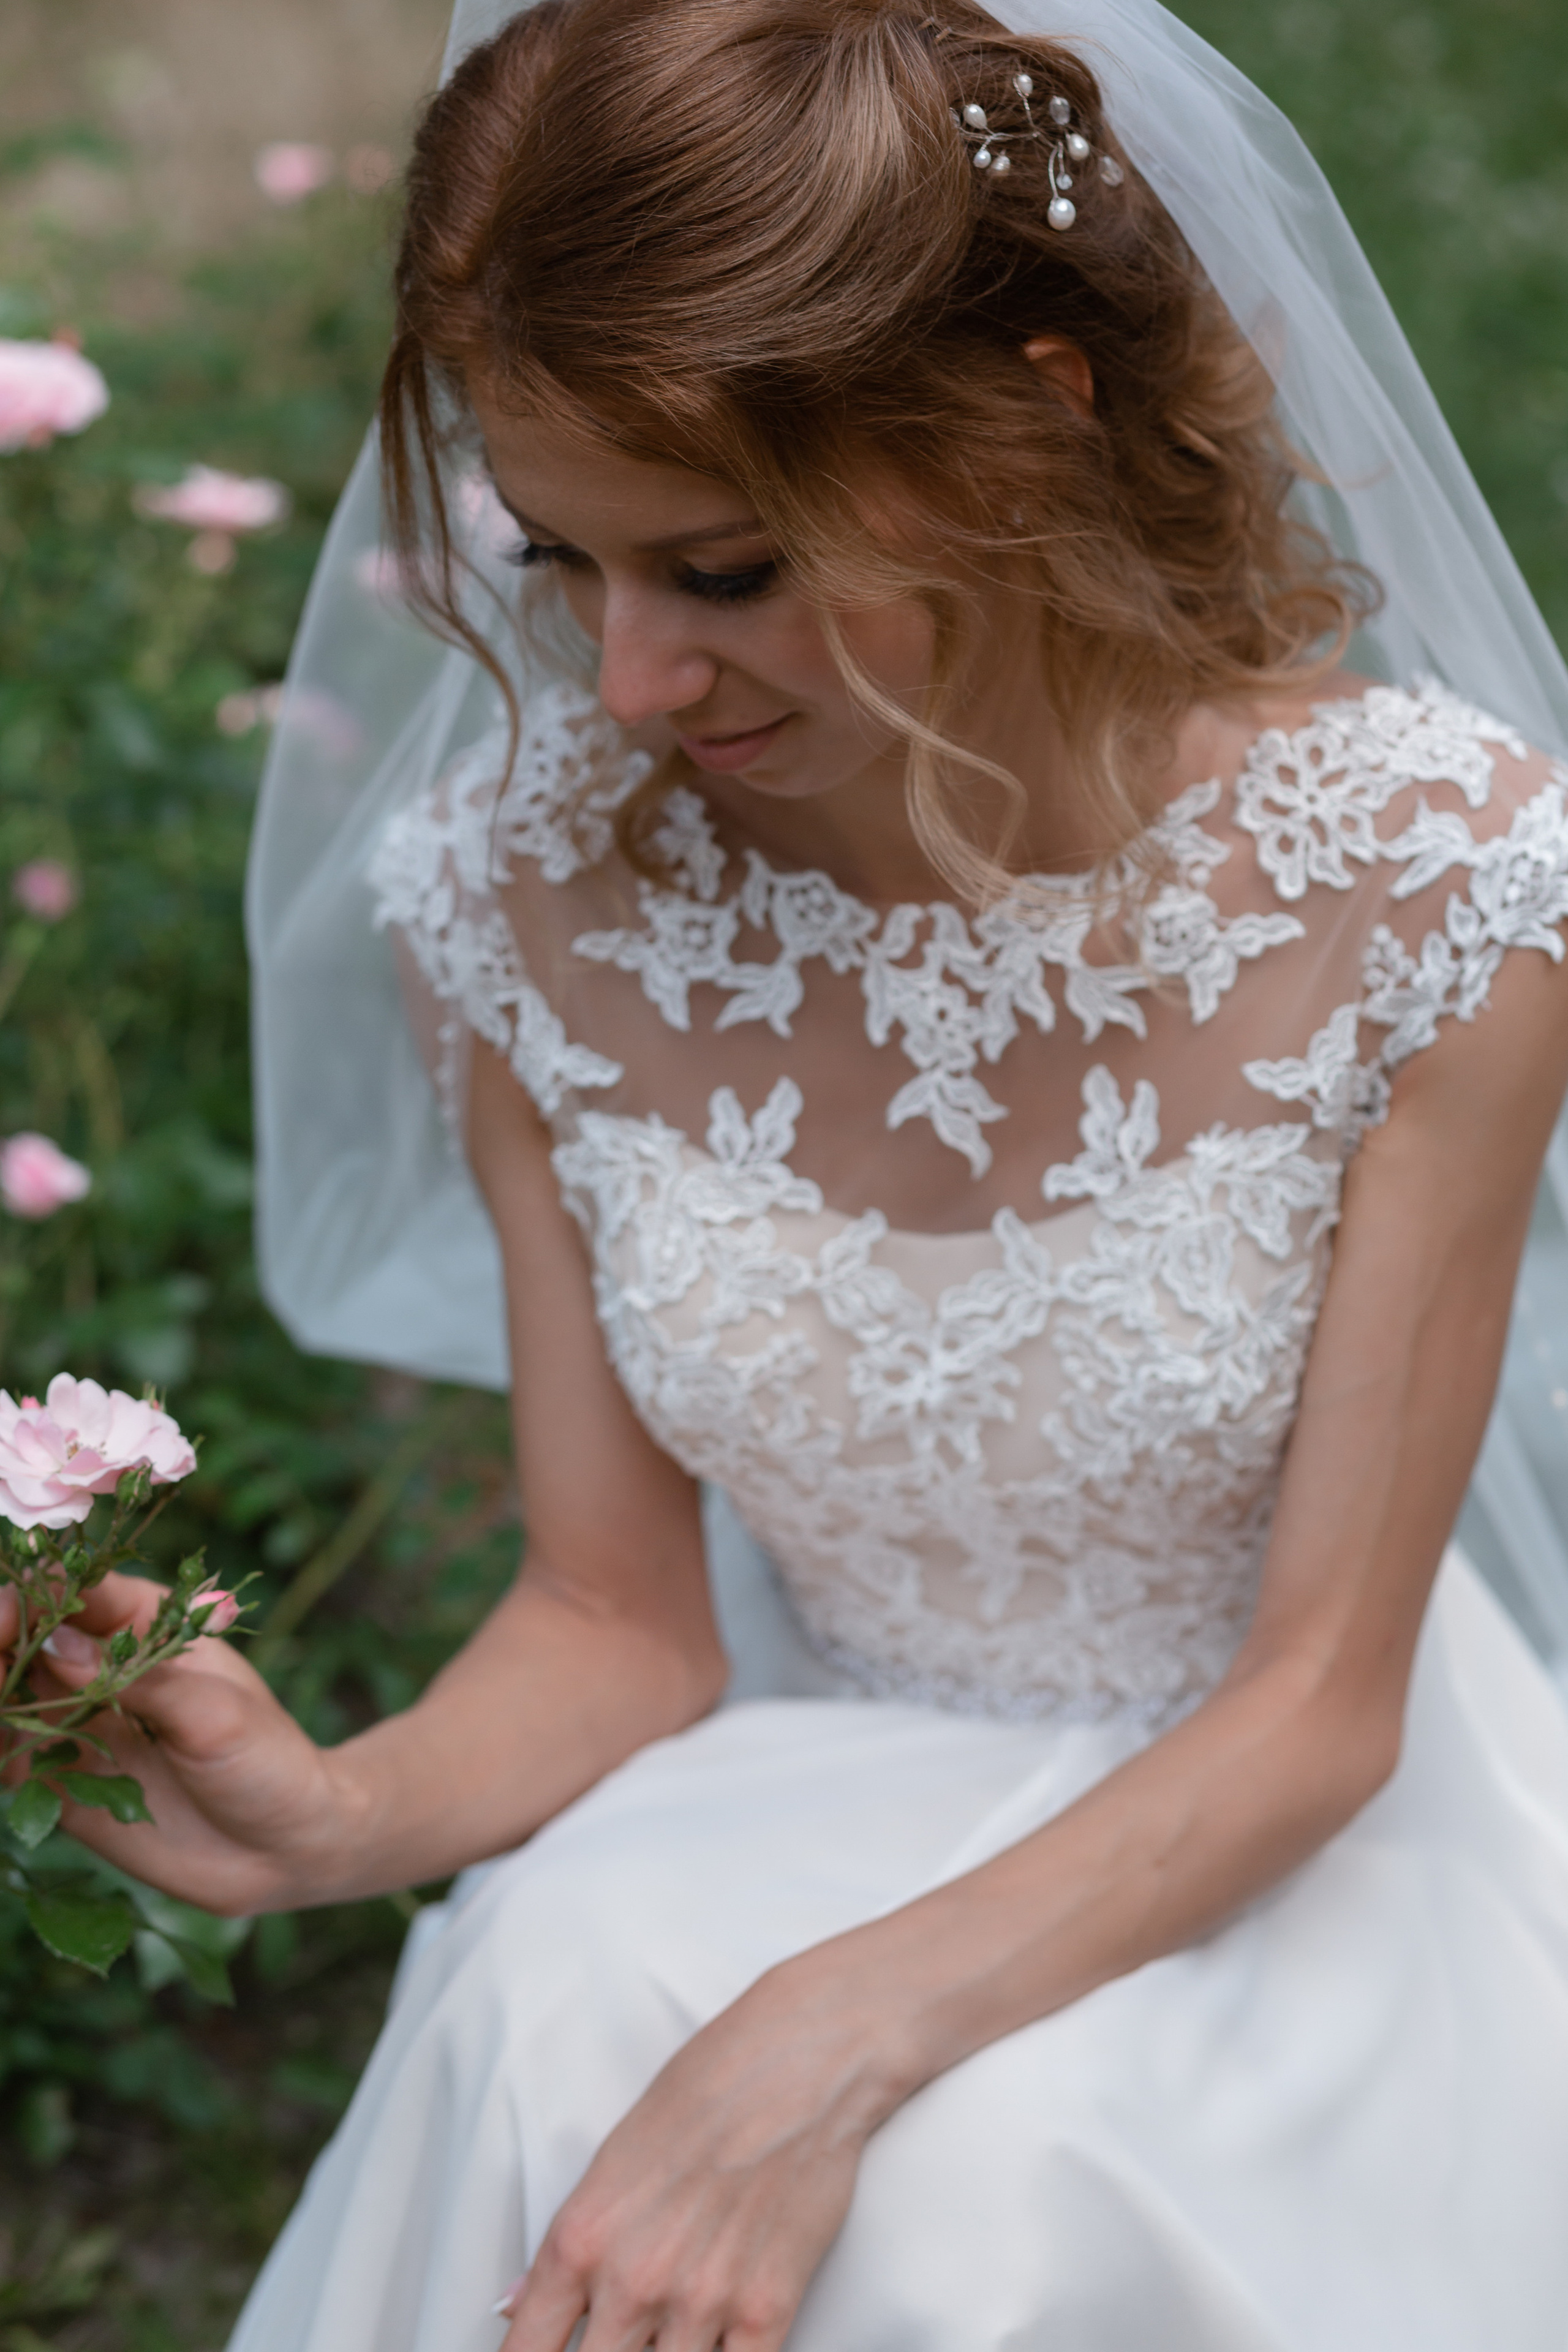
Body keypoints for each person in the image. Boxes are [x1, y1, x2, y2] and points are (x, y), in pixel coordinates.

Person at [19, 0, 1568, 2345]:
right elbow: (620, 1623)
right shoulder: (530, 891)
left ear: (1028, 421)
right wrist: (333, 1822)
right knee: (557, 1998)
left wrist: (829, 2037)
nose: (629, 680)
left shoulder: (1430, 881)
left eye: (724, 570)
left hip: (1287, 1842)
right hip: (794, 1766)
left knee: (982, 2201)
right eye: (564, 560)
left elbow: (1321, 1705)